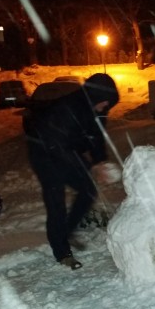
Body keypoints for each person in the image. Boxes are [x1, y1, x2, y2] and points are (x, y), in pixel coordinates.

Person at [23, 73, 119, 270]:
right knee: (55, 198)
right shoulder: (68, 108)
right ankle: (62, 253)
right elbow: (57, 147)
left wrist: (100, 162)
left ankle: (66, 231)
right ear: (94, 96)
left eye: (108, 104)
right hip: (44, 151)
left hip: (67, 148)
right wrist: (89, 167)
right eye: (104, 103)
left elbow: (96, 137)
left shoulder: (99, 109)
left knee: (88, 189)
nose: (105, 108)